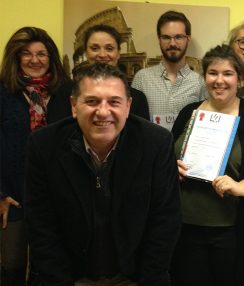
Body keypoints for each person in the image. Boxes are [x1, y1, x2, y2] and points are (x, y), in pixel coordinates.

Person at [24, 63, 181, 285]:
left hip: (134, 277)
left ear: (128, 107)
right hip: (68, 277)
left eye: (114, 102)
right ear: (73, 106)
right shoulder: (43, 145)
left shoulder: (156, 144)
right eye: (92, 101)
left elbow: (165, 221)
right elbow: (41, 225)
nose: (103, 111)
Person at [170, 45, 244, 286]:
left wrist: (241, 186)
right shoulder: (188, 113)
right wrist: (172, 169)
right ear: (204, 77)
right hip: (185, 228)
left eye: (227, 74)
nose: (219, 80)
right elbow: (167, 156)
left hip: (232, 231)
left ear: (239, 79)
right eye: (213, 73)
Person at [0, 26, 72, 285]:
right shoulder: (4, 93)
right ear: (16, 57)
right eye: (26, 54)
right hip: (14, 197)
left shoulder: (66, 94)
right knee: (12, 267)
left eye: (42, 54)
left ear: (51, 58)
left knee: (52, 268)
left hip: (59, 197)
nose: (34, 60)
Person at [132, 10, 206, 130]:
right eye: (166, 37)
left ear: (188, 39)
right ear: (159, 39)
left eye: (178, 37)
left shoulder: (200, 82)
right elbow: (133, 123)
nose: (172, 43)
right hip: (152, 148)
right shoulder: (142, 78)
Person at [82, 24, 150, 120]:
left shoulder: (137, 99)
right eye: (94, 48)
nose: (102, 55)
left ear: (118, 53)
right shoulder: (66, 93)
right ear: (86, 53)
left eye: (109, 49)